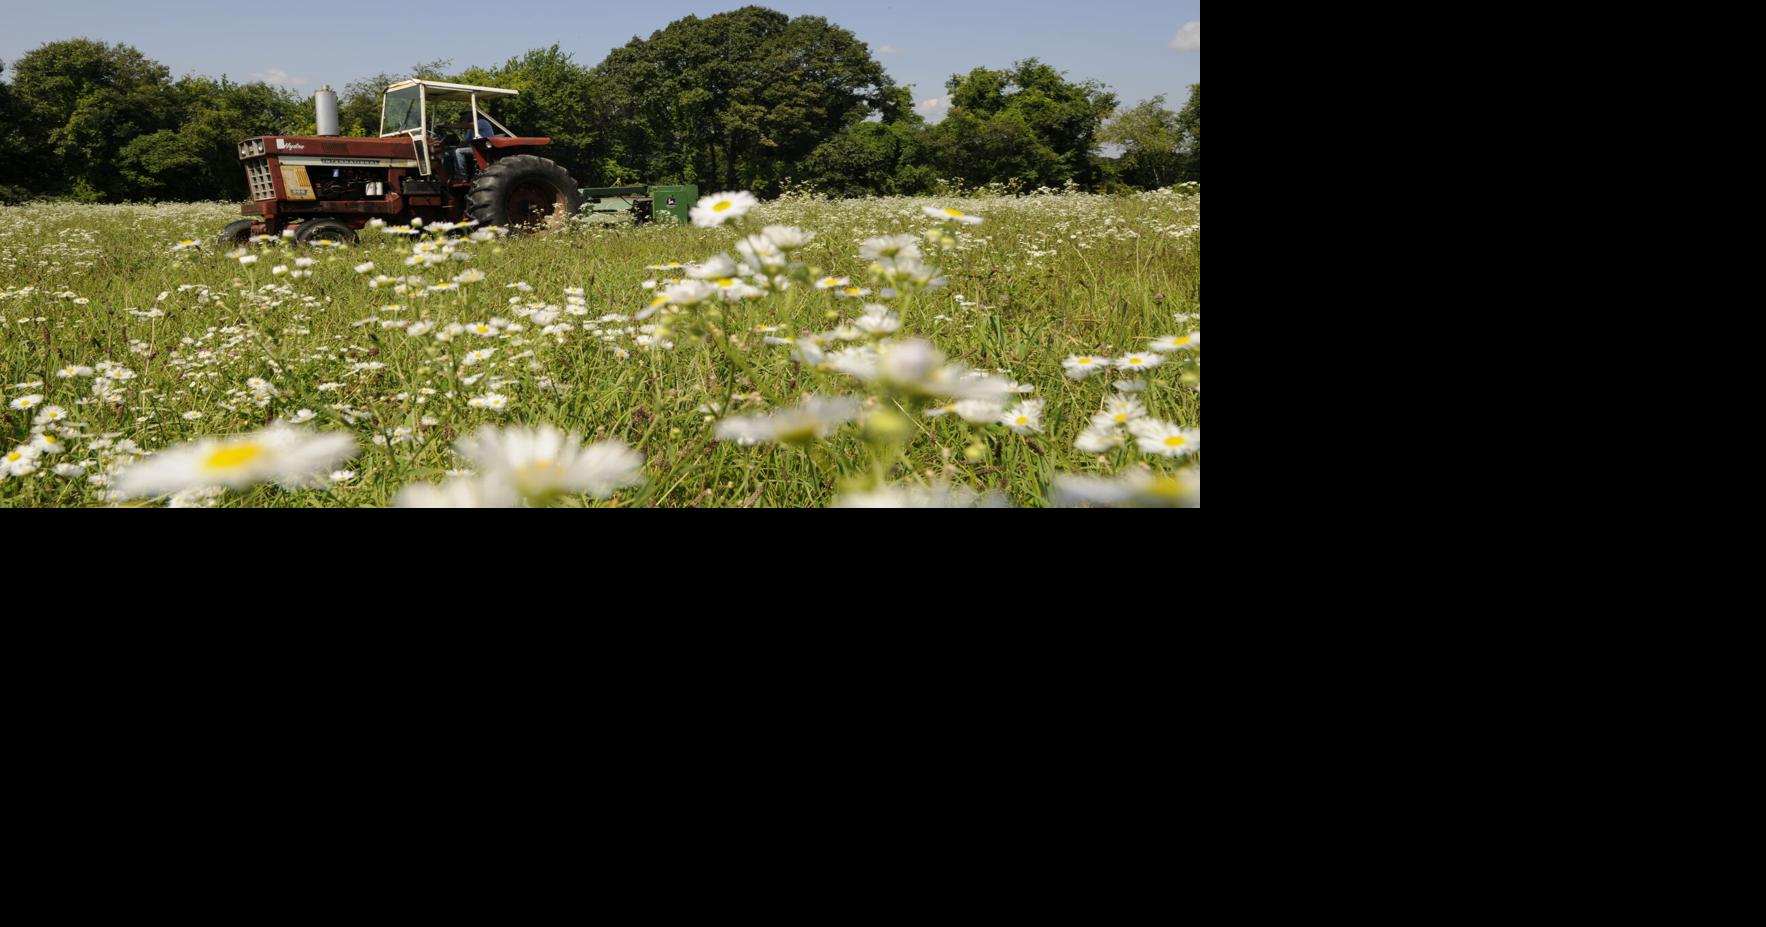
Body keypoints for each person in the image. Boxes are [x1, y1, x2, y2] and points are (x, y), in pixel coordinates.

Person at [451, 113, 499, 180]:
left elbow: (465, 125)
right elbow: (465, 142)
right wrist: (454, 148)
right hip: (475, 148)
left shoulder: (481, 122)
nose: (463, 117)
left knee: (459, 152)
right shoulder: (471, 129)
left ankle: (462, 177)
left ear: (472, 114)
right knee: (449, 153)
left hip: (484, 148)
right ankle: (450, 176)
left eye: (465, 115)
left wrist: (448, 125)